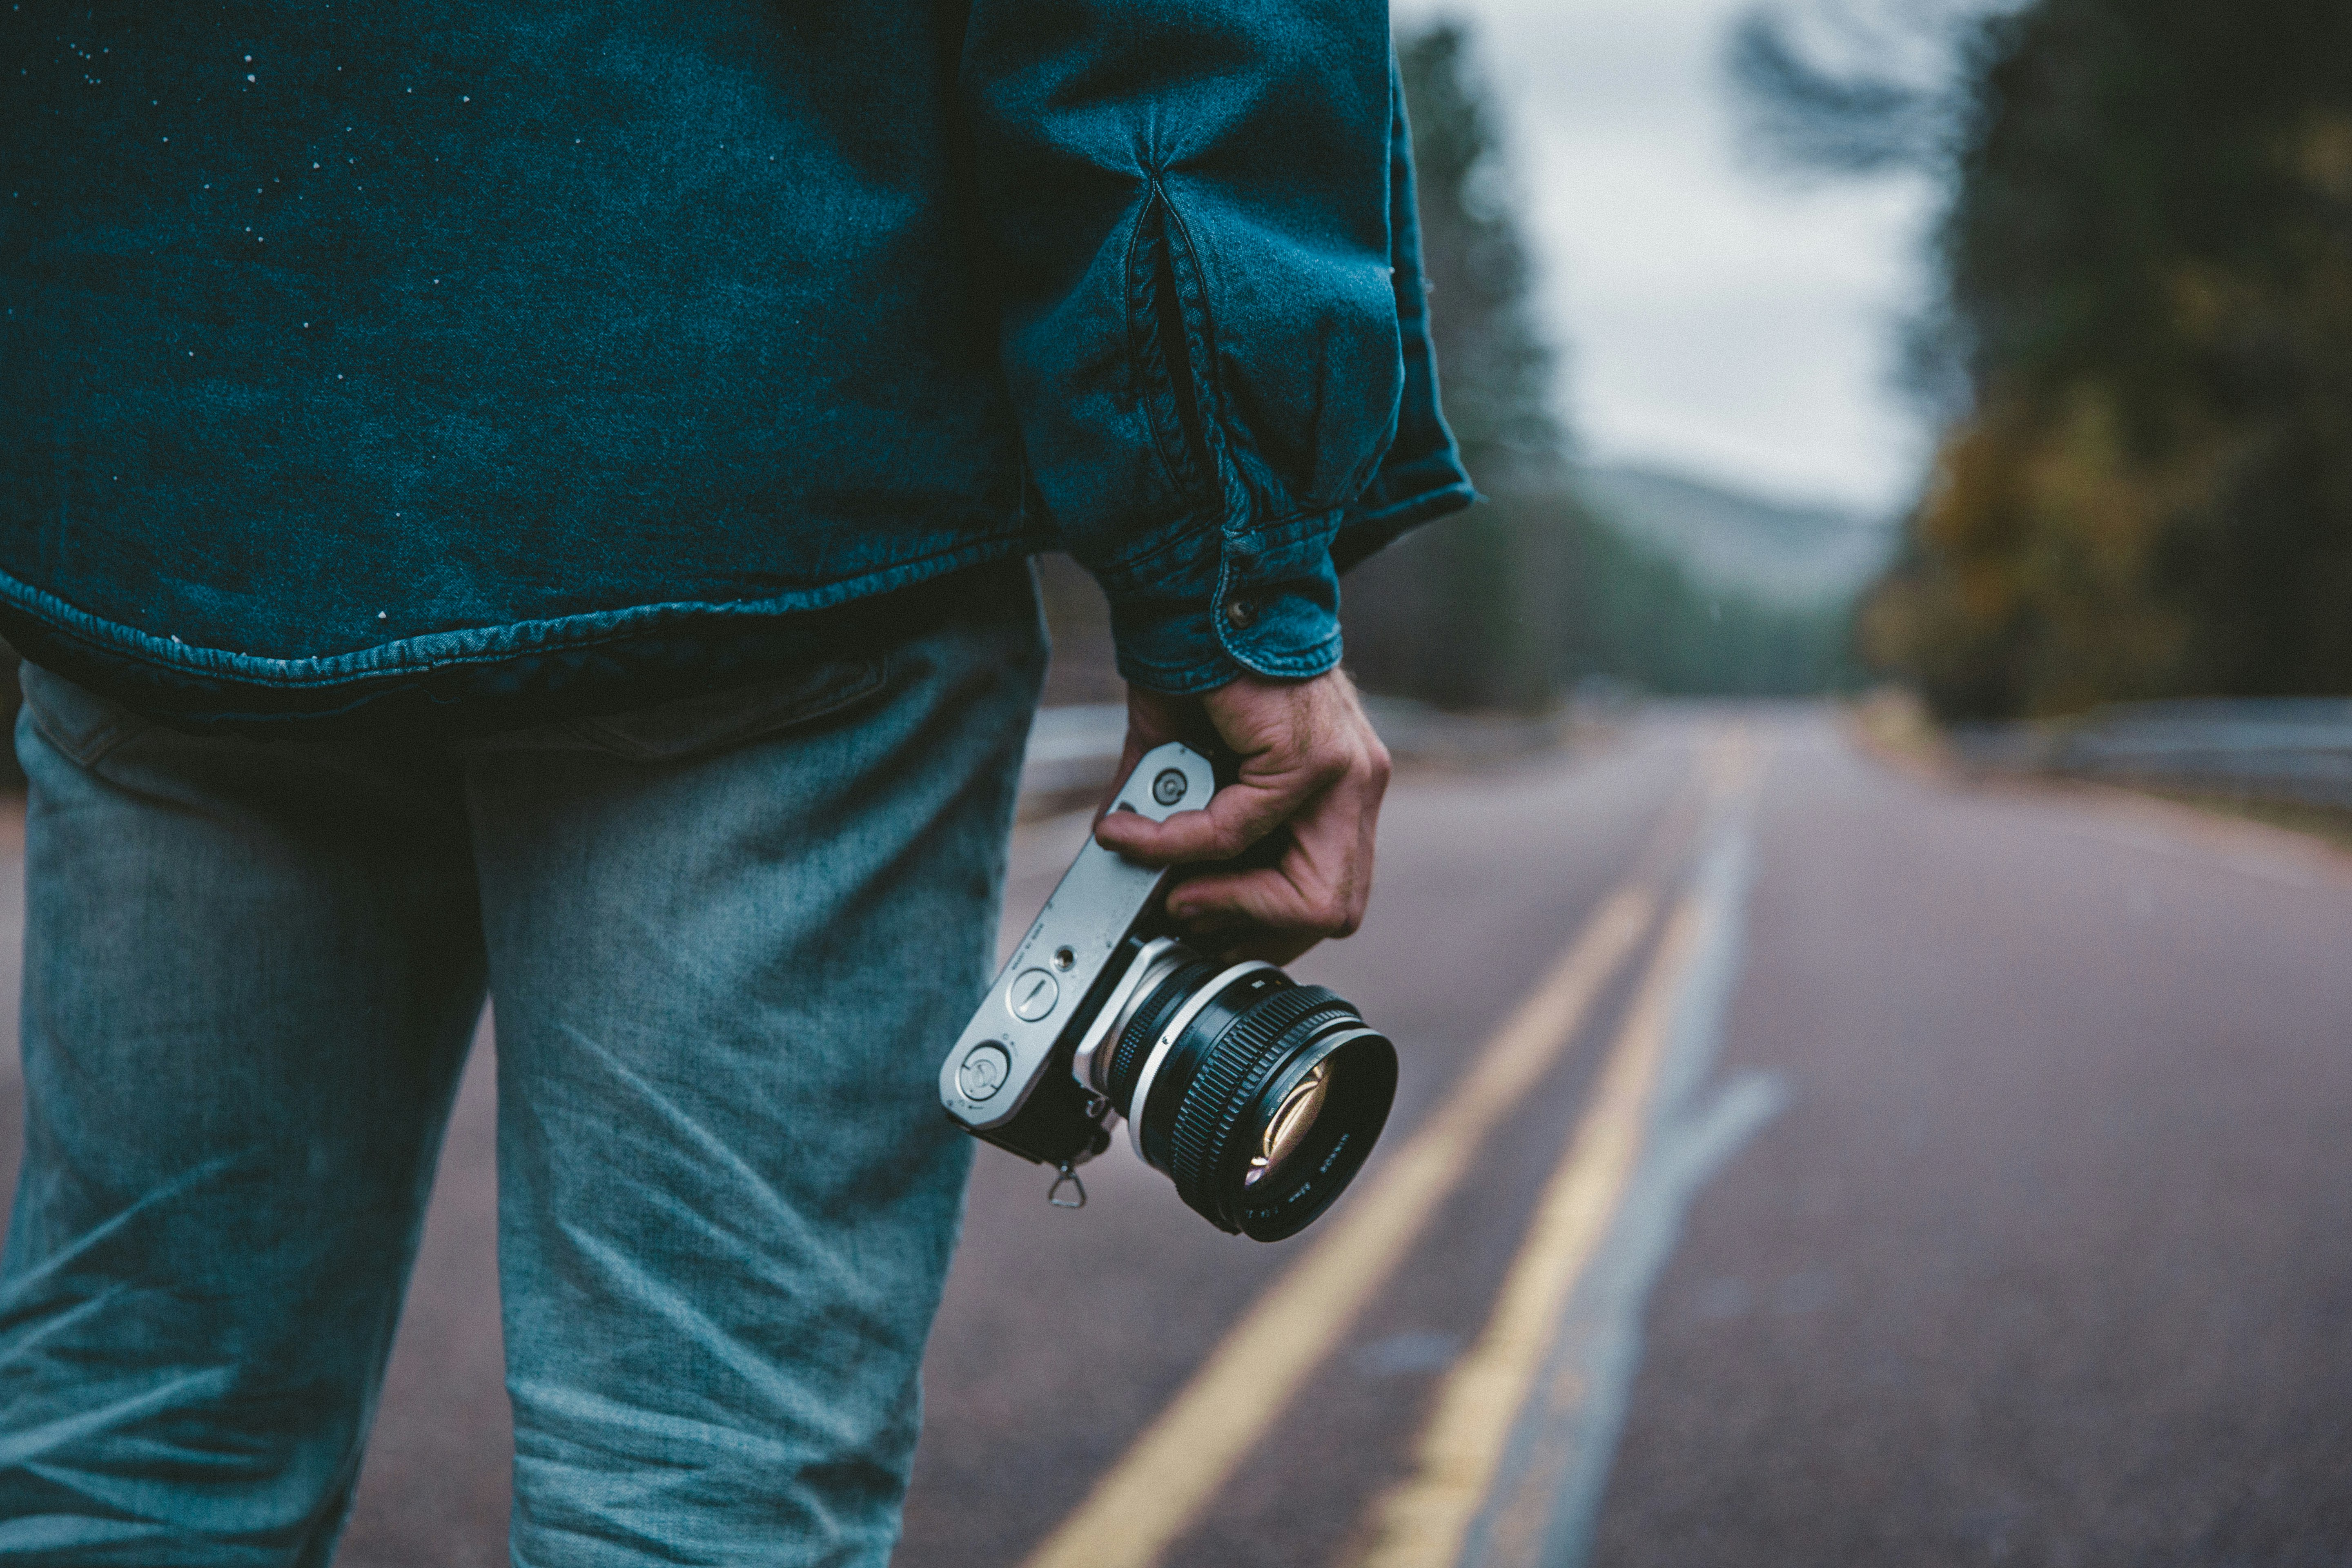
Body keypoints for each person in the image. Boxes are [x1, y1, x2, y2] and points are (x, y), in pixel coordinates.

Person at [0, 2, 1471, 1563]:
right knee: (696, 1471)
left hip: (177, 464)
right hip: (754, 447)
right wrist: (1230, 582)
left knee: (140, 1428)